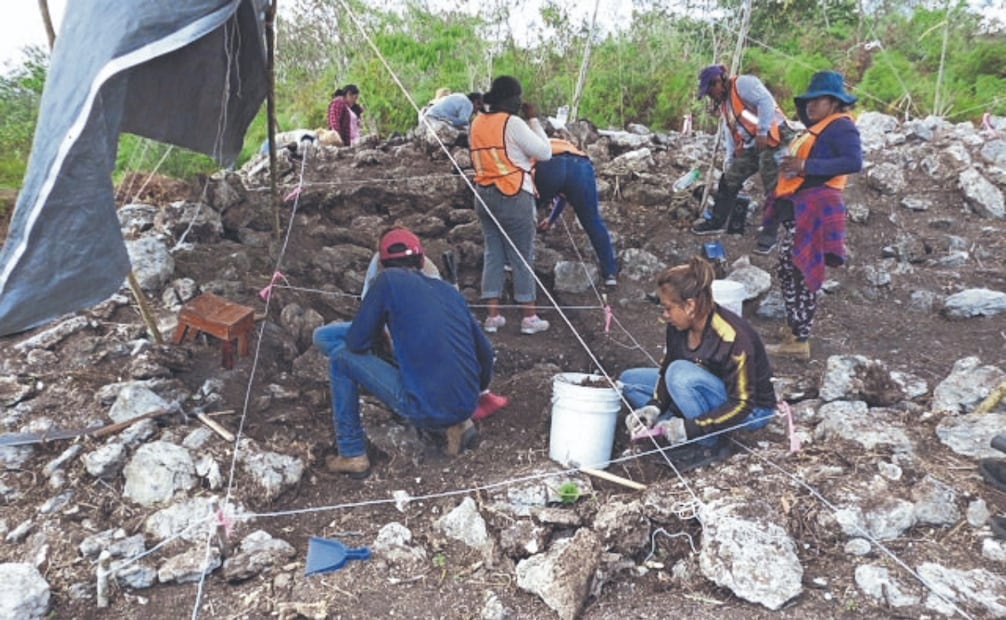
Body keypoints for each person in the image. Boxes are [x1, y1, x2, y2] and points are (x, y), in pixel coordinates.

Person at [312, 228, 496, 477]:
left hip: (425, 409)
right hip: (466, 404)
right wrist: (474, 392)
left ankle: (352, 452)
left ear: (382, 265)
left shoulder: (387, 281)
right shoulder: (449, 293)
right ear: (421, 261)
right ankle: (458, 424)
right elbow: (484, 351)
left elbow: (356, 343)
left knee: (340, 359)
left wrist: (379, 337)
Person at [619, 256, 776, 470]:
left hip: (751, 410)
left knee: (680, 375)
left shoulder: (733, 338)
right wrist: (653, 407)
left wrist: (692, 428)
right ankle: (675, 426)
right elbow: (666, 368)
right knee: (628, 381)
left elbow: (742, 404)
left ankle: (706, 445)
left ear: (690, 306)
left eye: (668, 308)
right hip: (706, 388)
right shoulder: (678, 327)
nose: (665, 315)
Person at [764, 71, 863, 360]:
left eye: (816, 100)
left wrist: (805, 165)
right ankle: (796, 327)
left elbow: (852, 161)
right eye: (808, 101)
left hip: (816, 207)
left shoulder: (841, 127)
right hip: (804, 206)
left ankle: (799, 338)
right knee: (789, 266)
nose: (809, 106)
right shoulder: (820, 128)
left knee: (799, 267)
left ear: (833, 102)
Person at [469, 75, 552, 335]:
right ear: (513, 99)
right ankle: (529, 317)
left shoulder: (477, 122)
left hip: (484, 195)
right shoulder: (512, 123)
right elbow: (545, 152)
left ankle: (493, 317)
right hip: (514, 193)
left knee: (493, 253)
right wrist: (534, 119)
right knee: (522, 255)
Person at [692, 64, 792, 254]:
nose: (710, 96)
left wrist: (762, 130)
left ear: (718, 81)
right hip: (754, 142)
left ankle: (770, 235)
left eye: (710, 90)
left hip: (774, 136)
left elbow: (765, 101)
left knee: (772, 184)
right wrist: (731, 158)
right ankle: (717, 221)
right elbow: (732, 132)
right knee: (730, 178)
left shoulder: (743, 84)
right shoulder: (725, 104)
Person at [534, 138, 619, 287]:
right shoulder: (570, 147)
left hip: (549, 164)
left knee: (526, 213)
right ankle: (610, 273)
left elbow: (557, 184)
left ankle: (513, 260)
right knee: (593, 221)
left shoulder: (538, 143)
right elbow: (565, 191)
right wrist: (551, 219)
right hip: (581, 166)